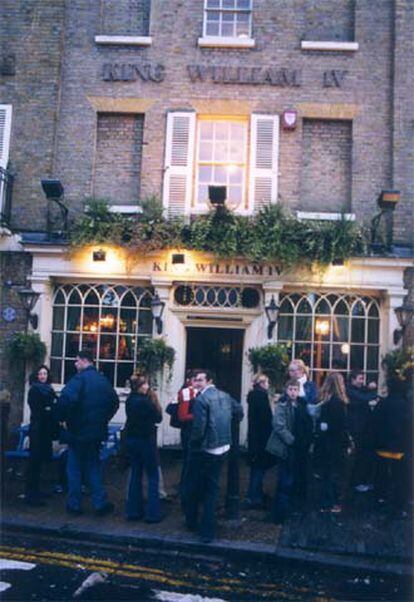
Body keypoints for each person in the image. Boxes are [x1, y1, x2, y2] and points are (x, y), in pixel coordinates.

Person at [183, 369, 243, 543]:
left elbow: (199, 429)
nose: (197, 383)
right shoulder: (225, 396)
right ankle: (207, 528)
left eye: (200, 380)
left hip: (206, 449)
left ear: (209, 381)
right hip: (223, 447)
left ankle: (197, 526)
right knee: (212, 487)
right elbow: (239, 412)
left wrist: (193, 446)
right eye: (195, 380)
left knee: (194, 485)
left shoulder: (201, 399)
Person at [57, 349, 119, 516]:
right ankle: (100, 503)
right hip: (96, 433)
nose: (75, 364)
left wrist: (63, 419)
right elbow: (114, 402)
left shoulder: (78, 380)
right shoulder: (103, 381)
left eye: (77, 361)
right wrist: (103, 420)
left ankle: (74, 504)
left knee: (74, 468)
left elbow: (65, 401)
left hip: (77, 432)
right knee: (93, 467)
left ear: (85, 361)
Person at [267, 379, 313, 523]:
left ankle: (293, 508)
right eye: (290, 389)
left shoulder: (302, 405)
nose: (293, 392)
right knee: (285, 480)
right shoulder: (282, 406)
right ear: (286, 390)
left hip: (299, 449)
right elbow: (279, 426)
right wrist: (292, 440)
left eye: (295, 389)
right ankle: (281, 513)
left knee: (296, 478)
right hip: (286, 447)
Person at [124, 374, 163, 522]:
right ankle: (153, 513)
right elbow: (158, 418)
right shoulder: (146, 402)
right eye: (145, 384)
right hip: (146, 440)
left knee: (135, 474)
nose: (148, 387)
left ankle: (133, 511)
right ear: (140, 386)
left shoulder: (129, 400)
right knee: (153, 476)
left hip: (132, 439)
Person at [372, 376, 412, 514]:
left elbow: (374, 425)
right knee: (400, 479)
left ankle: (380, 501)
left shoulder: (382, 404)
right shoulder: (406, 406)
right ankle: (399, 506)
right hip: (399, 449)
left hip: (382, 447)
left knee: (382, 477)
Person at [313, 372, 351, 513]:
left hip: (325, 443)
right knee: (336, 475)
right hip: (336, 444)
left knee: (327, 475)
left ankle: (326, 503)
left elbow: (322, 424)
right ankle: (334, 503)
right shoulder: (339, 403)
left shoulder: (325, 401)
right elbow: (341, 426)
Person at [25, 365, 57, 506]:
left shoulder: (49, 389)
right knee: (34, 461)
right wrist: (48, 409)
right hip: (38, 430)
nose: (43, 376)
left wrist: (50, 408)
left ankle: (36, 490)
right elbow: (39, 410)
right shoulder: (34, 390)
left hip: (45, 431)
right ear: (36, 376)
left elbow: (53, 405)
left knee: (41, 461)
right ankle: (31, 493)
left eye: (45, 373)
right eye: (40, 374)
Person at [244, 374, 274, 509]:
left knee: (257, 467)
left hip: (255, 437)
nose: (268, 385)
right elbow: (265, 419)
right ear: (262, 383)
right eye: (267, 382)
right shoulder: (261, 397)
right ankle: (254, 497)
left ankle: (256, 494)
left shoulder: (253, 396)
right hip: (262, 438)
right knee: (259, 468)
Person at [346, 370, 378, 492]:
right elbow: (364, 398)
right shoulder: (350, 391)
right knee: (359, 456)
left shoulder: (357, 389)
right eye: (360, 378)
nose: (362, 381)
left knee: (364, 455)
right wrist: (374, 391)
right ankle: (355, 482)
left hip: (363, 428)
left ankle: (362, 480)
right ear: (353, 379)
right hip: (357, 428)